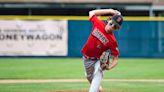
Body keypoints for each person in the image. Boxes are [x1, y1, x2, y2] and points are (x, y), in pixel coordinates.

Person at [81, 8, 123, 92]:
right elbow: (91, 12)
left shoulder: (113, 41)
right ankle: (98, 88)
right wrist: (110, 11)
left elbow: (115, 60)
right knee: (89, 77)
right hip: (87, 59)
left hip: (99, 60)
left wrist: (108, 67)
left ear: (117, 29)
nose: (112, 27)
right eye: (112, 23)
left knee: (100, 70)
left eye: (115, 26)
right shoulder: (98, 23)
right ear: (109, 20)